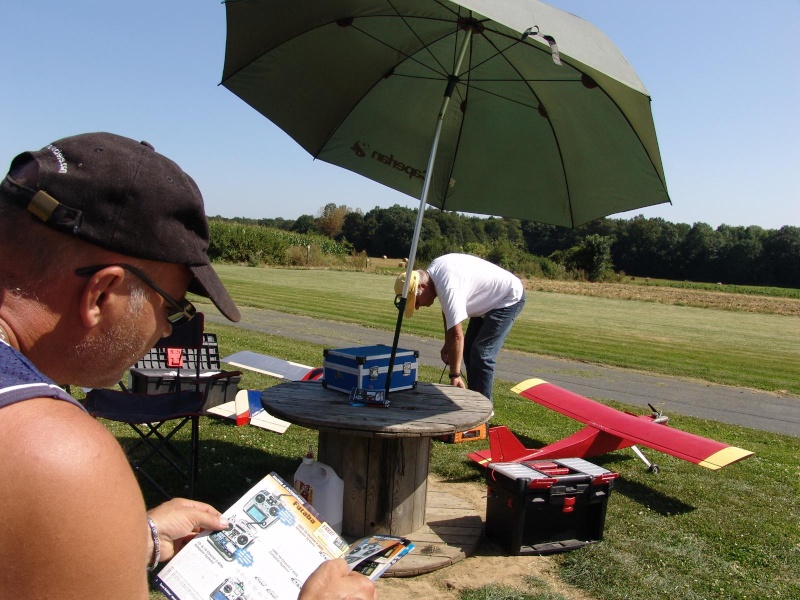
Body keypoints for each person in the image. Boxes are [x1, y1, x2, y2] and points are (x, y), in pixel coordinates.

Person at [0, 132, 376, 600]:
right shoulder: (54, 455)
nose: (164, 330)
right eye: (171, 307)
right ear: (101, 293)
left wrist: (131, 538)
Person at [395, 253, 525, 402]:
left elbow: (457, 336)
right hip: (489, 297)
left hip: (508, 296)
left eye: (416, 302)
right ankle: (475, 400)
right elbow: (448, 313)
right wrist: (448, 343)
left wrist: (455, 375)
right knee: (468, 349)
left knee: (482, 353)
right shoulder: (436, 274)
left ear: (423, 286)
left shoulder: (447, 286)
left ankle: (484, 410)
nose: (417, 307)